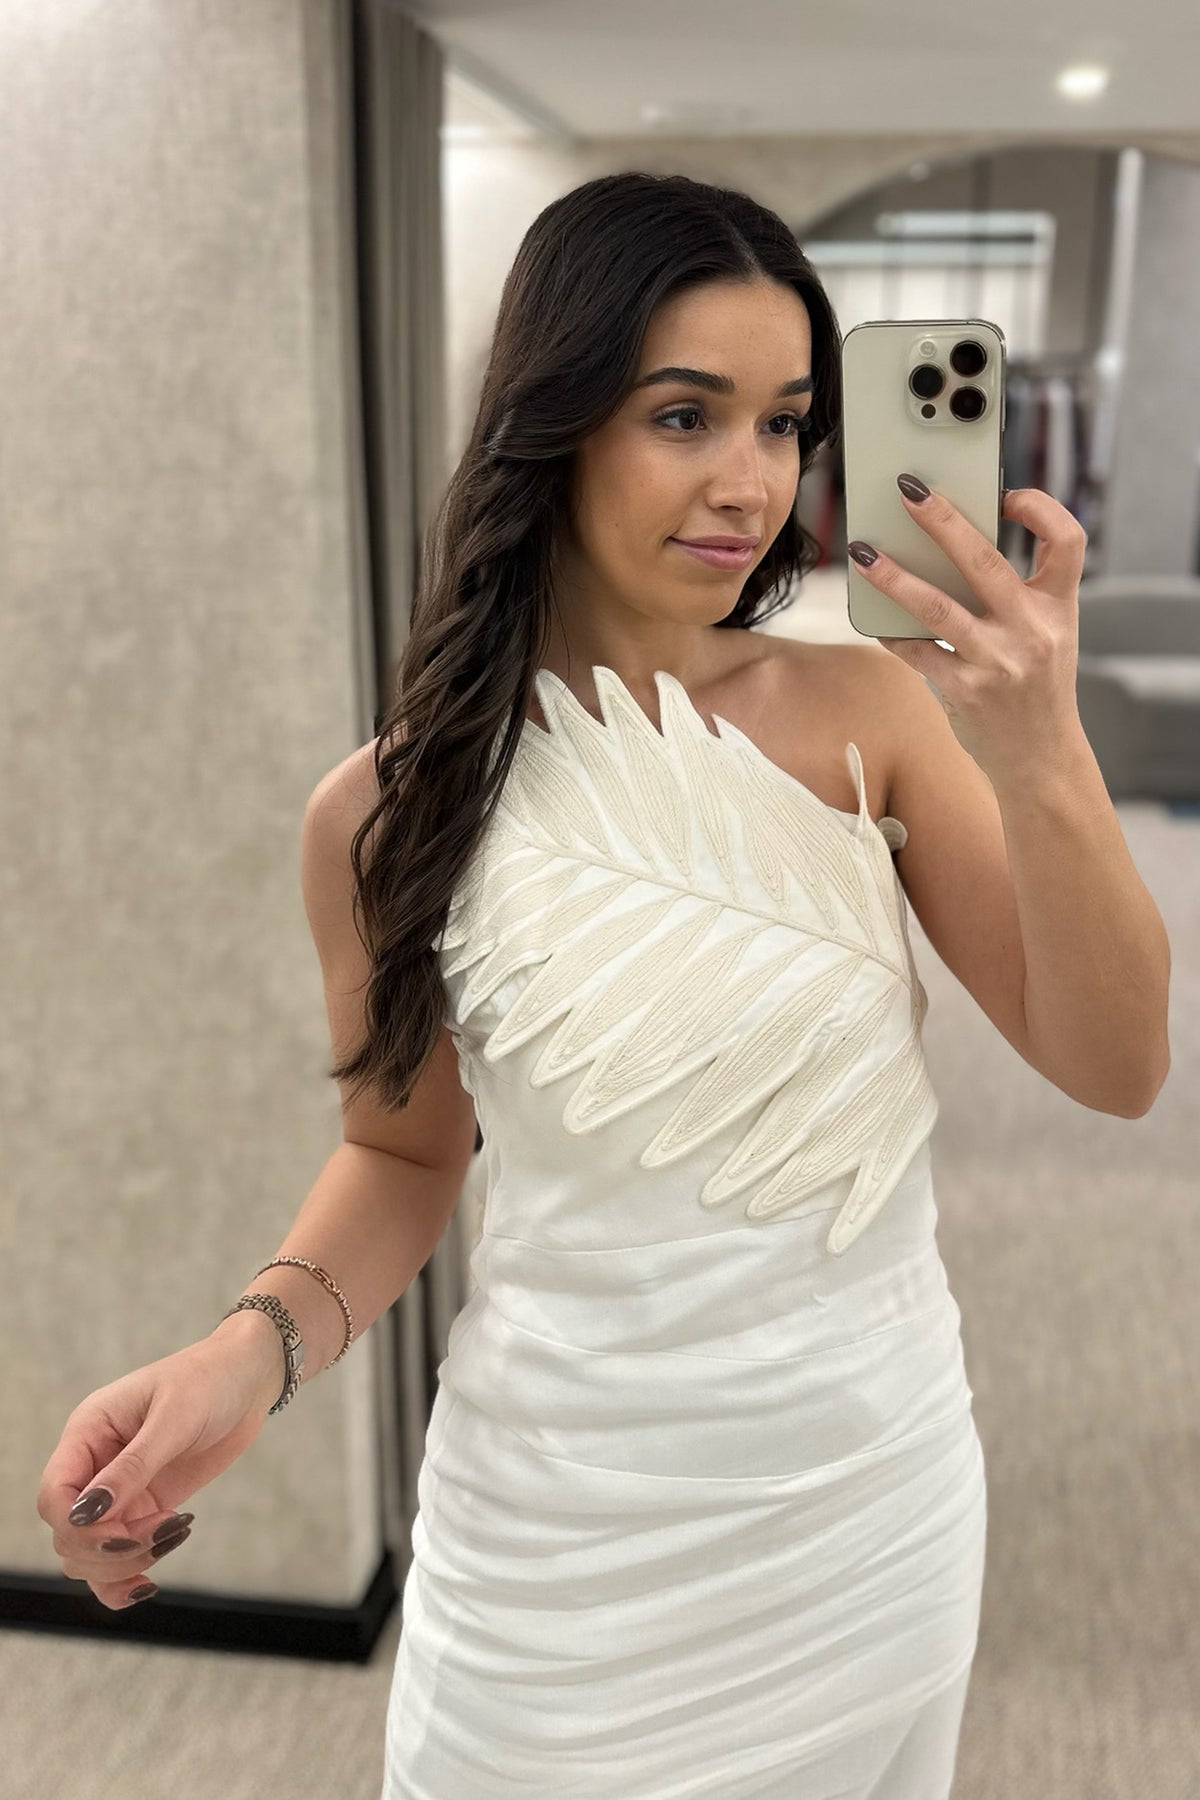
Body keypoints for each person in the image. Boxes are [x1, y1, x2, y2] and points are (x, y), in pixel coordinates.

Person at [38, 171, 988, 1798]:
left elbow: (1119, 1062)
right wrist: (243, 1354)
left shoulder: (873, 715)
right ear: (553, 422)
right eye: (685, 415)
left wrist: (1034, 741)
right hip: (560, 1541)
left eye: (785, 423)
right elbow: (403, 1154)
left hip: (868, 1502)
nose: (752, 480)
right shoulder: (386, 811)